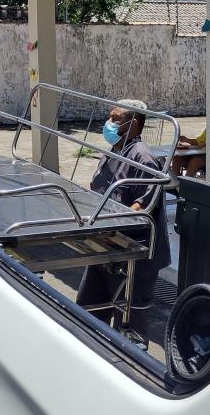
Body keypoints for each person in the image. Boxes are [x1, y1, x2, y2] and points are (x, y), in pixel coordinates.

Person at [76, 99, 170, 346]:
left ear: (135, 124)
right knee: (87, 313)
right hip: (104, 247)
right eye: (110, 117)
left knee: (130, 324)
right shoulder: (114, 151)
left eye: (116, 119)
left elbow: (142, 206)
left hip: (134, 254)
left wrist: (112, 223)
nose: (109, 123)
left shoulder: (143, 159)